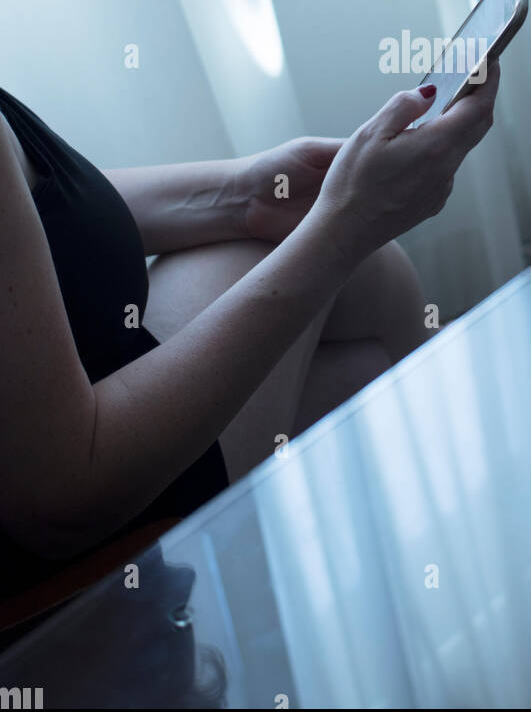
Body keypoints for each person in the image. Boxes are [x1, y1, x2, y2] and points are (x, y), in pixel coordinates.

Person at [0, 62, 499, 605]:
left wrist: (241, 193)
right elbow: (64, 498)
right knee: (364, 314)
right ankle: (472, 535)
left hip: (87, 385)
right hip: (86, 525)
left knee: (363, 357)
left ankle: (451, 550)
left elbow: (35, 208)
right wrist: (345, 226)